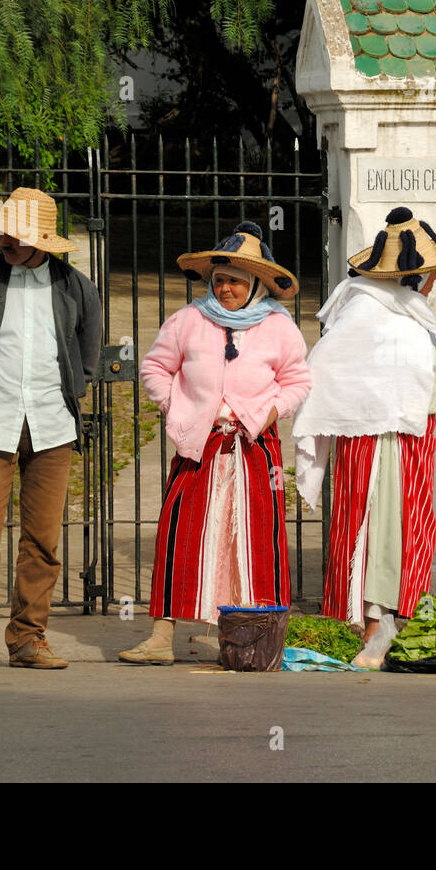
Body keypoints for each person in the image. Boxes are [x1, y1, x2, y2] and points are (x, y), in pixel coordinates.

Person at [119, 223, 310, 664]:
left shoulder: (278, 328)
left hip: (254, 447)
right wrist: (180, 409)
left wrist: (267, 413)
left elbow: (298, 380)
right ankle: (160, 639)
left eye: (235, 282)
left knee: (256, 539)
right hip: (199, 446)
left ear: (255, 285)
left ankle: (251, 640)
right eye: (220, 280)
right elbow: (155, 368)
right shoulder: (189, 319)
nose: (225, 289)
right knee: (179, 535)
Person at [0, 187, 102, 673]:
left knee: (43, 539)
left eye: (20, 234)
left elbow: (88, 353)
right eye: (6, 232)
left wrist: (73, 392)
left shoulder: (75, 287)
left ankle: (29, 638)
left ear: (43, 240)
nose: (9, 241)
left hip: (52, 428)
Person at [292, 207, 436, 642]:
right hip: (373, 442)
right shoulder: (369, 312)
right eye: (430, 272)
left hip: (411, 439)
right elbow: (330, 370)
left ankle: (393, 616)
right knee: (374, 523)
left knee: (405, 523)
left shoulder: (410, 314)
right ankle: (367, 618)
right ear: (414, 277)